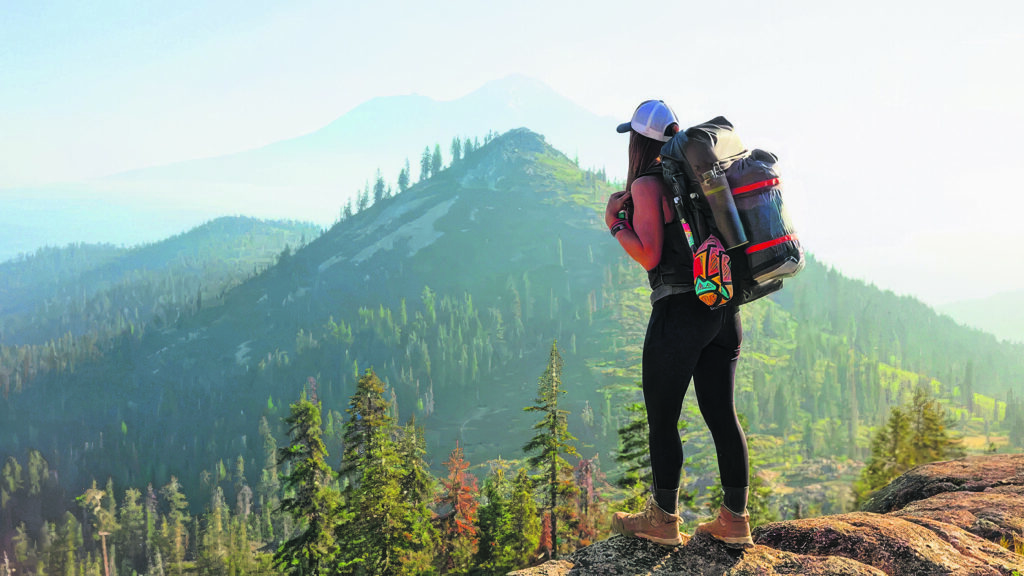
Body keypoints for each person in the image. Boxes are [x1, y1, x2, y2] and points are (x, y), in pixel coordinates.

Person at [606, 100, 753, 549]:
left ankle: (663, 520)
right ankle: (734, 519)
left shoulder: (649, 184)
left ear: (638, 140)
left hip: (680, 313)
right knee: (721, 414)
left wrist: (615, 224)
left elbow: (650, 255)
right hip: (723, 306)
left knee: (663, 419)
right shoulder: (697, 177)